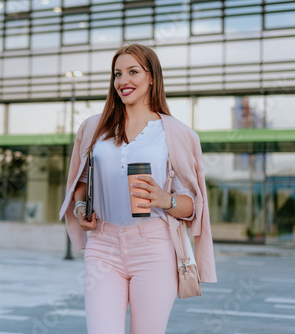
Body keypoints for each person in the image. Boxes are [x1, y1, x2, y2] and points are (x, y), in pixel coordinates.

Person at [59, 44, 217, 334]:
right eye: (117, 74)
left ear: (152, 78)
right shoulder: (94, 128)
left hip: (155, 248)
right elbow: (81, 183)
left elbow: (194, 204)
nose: (123, 80)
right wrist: (81, 208)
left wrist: (165, 199)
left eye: (133, 72)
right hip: (103, 247)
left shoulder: (176, 133)